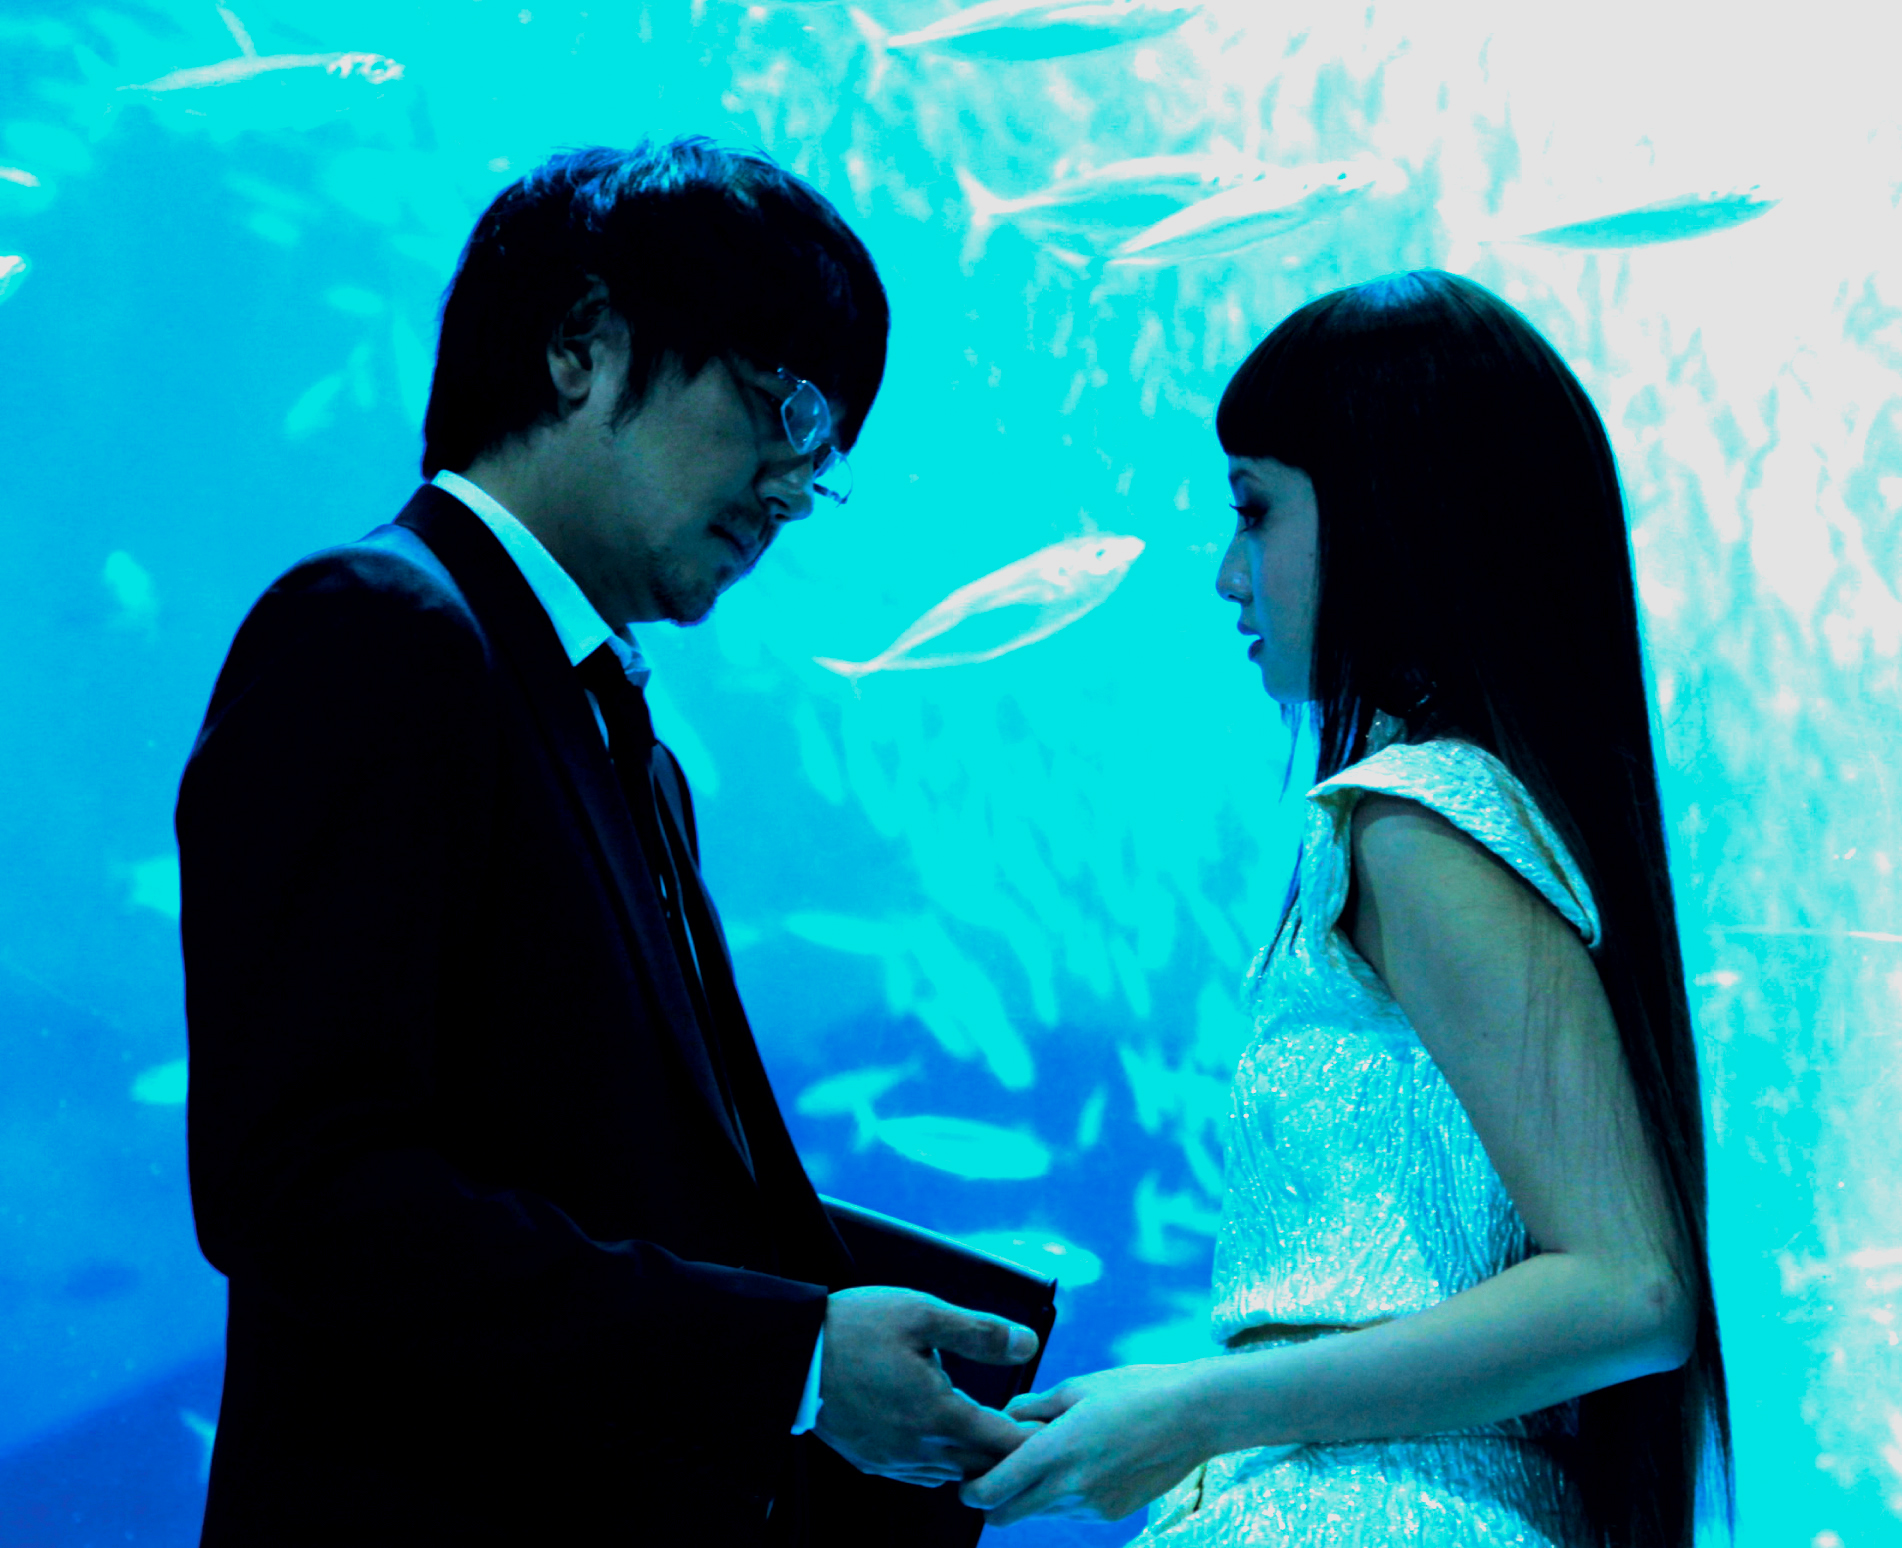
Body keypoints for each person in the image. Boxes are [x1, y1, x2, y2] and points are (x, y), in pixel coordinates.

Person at [176, 138, 1038, 1545]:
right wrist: (791, 1360)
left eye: (826, 455)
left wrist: (844, 1344)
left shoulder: (612, 728)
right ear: (581, 345)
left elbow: (616, 1174)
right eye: (782, 402)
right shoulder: (378, 630)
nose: (791, 487)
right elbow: (305, 1190)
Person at [961, 270, 1734, 1547]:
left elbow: (1628, 1288)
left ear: (1394, 510)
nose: (1228, 573)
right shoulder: (1449, 817)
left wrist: (1196, 1408)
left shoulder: (1418, 820)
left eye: (1254, 509)